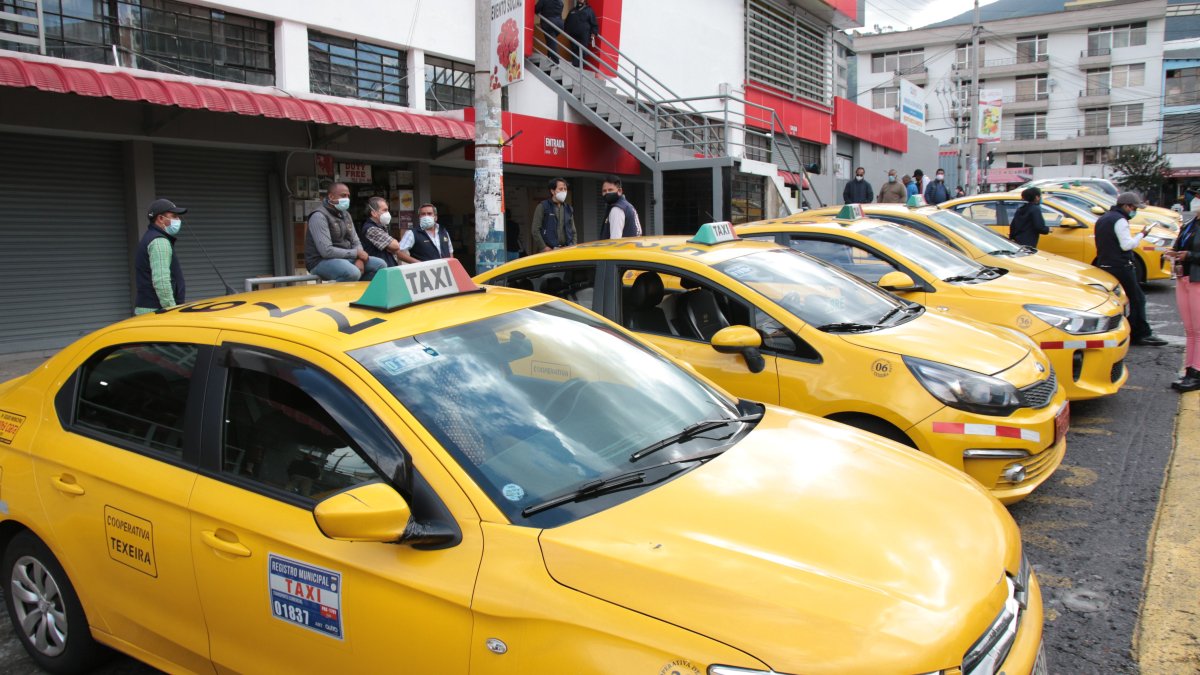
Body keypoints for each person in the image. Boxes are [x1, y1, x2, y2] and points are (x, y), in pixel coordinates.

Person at [1096, 192, 1167, 346]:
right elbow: (1126, 245)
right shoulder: (1120, 220)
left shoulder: (1104, 218)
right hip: (1121, 265)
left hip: (1105, 263)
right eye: (1134, 208)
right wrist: (1141, 235)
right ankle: (1140, 333)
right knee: (1137, 299)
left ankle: (1125, 330)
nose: (1134, 211)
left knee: (1117, 300)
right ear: (1127, 206)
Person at [306, 183, 386, 282]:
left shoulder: (346, 215)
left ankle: (360, 290)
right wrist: (356, 254)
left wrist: (360, 259)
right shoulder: (319, 216)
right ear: (331, 197)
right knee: (352, 273)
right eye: (343, 195)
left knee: (381, 265)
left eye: (348, 196)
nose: (347, 199)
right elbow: (326, 251)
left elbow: (355, 241)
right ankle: (335, 291)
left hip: (347, 258)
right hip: (320, 261)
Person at [134, 198, 187, 315]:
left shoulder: (151, 237)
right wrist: (172, 311)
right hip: (156, 311)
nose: (178, 220)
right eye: (174, 216)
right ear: (161, 218)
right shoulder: (159, 241)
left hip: (151, 309)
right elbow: (162, 282)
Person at [1168, 216, 1200, 390]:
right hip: (1184, 278)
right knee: (1190, 329)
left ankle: (1196, 372)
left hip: (1197, 280)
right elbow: (1179, 245)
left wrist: (1190, 256)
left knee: (1198, 330)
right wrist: (1173, 253)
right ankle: (1190, 370)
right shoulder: (1190, 224)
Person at [532, 177, 577, 252]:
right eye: (561, 189)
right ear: (552, 191)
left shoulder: (569, 208)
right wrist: (544, 247)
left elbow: (573, 231)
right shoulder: (543, 206)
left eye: (565, 189)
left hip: (567, 249)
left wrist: (573, 245)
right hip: (549, 250)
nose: (564, 191)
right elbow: (535, 230)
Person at [360, 196, 401, 267]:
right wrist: (391, 246)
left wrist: (391, 247)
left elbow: (395, 248)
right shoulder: (371, 229)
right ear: (374, 213)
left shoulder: (381, 227)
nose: (388, 213)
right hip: (379, 270)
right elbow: (395, 245)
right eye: (385, 210)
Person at [564, 0, 598, 68]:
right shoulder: (572, 10)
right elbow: (566, 22)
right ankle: (575, 65)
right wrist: (567, 31)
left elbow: (594, 23)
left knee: (583, 50)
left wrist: (594, 33)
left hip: (584, 34)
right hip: (573, 34)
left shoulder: (589, 10)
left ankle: (581, 66)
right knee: (574, 49)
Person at [534, 0, 564, 64]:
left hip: (549, 23)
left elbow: (536, 9)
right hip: (559, 23)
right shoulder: (560, 1)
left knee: (551, 40)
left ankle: (555, 60)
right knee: (551, 40)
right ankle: (550, 56)